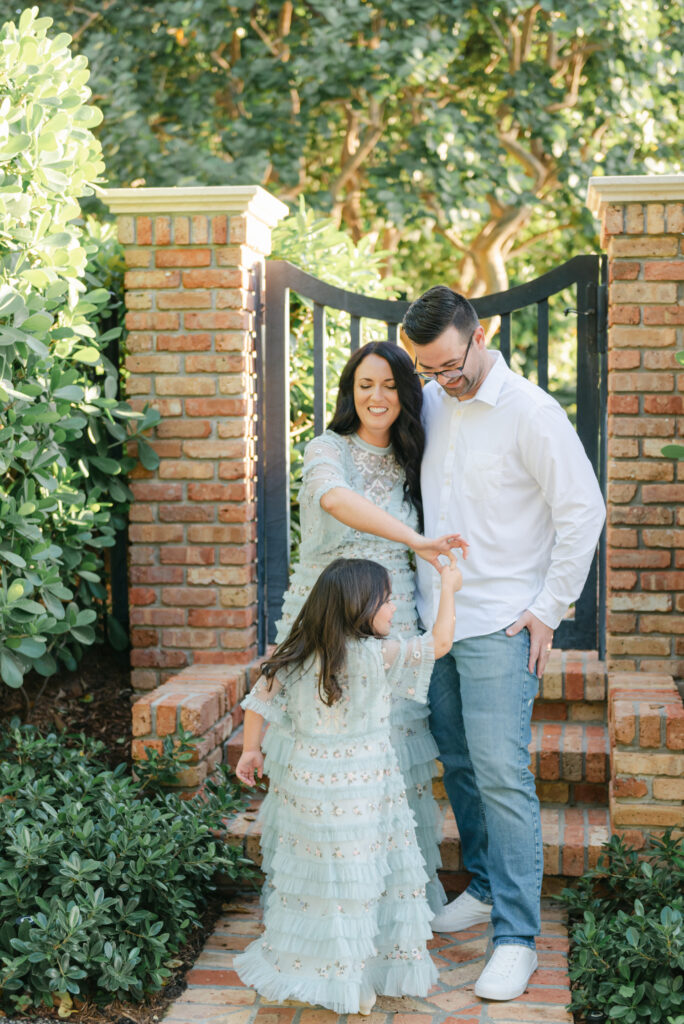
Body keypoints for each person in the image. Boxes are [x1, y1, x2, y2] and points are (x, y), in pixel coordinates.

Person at [401, 287, 606, 1002]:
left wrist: (550, 608)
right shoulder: (429, 402)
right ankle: (484, 887)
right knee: (457, 762)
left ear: (479, 334)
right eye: (427, 370)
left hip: (500, 623)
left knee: (502, 775)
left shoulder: (532, 413)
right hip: (438, 620)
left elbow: (583, 511)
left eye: (450, 366)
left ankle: (516, 937)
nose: (442, 381)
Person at [268, 340, 468, 913]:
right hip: (325, 623)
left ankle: (387, 911)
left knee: (389, 762)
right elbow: (335, 502)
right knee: (317, 758)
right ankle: (319, 909)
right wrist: (415, 541)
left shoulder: (415, 459)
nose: (375, 397)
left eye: (388, 385)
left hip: (392, 622)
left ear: (406, 394)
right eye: (364, 385)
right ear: (349, 392)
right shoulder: (327, 449)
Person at [234, 553, 463, 1015]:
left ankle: (329, 968)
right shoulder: (378, 654)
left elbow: (260, 694)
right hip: (363, 793)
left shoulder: (296, 656)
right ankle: (352, 976)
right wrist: (449, 587)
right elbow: (439, 643)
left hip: (310, 792)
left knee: (325, 884)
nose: (394, 608)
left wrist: (250, 749)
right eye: (386, 600)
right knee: (359, 882)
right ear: (359, 605)